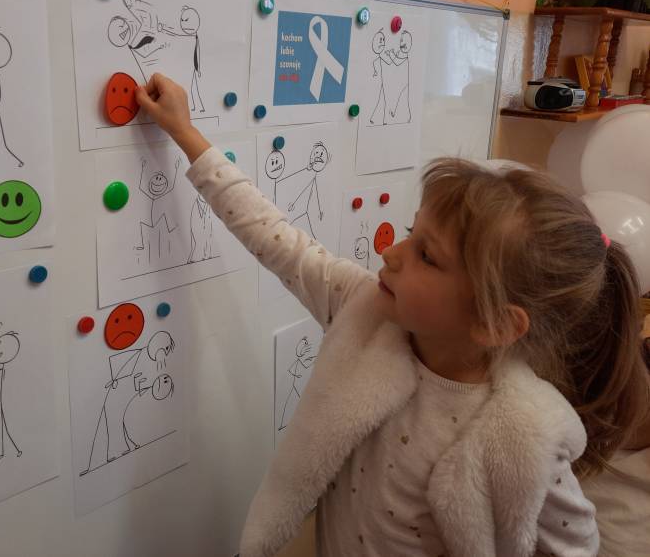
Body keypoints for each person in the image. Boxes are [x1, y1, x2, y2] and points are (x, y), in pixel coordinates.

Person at [134, 73, 650, 557]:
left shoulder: (526, 437)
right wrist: (185, 133)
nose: (392, 254)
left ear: (494, 323)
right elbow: (278, 241)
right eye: (410, 233)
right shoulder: (365, 311)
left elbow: (574, 547)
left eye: (427, 255)